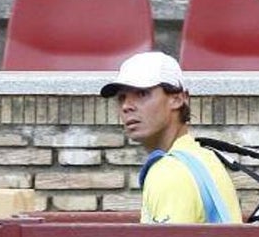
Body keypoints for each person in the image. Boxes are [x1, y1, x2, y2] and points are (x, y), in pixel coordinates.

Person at [99, 51, 242, 224]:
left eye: (142, 94)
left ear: (177, 99)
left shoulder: (170, 172)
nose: (126, 106)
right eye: (122, 98)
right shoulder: (202, 156)